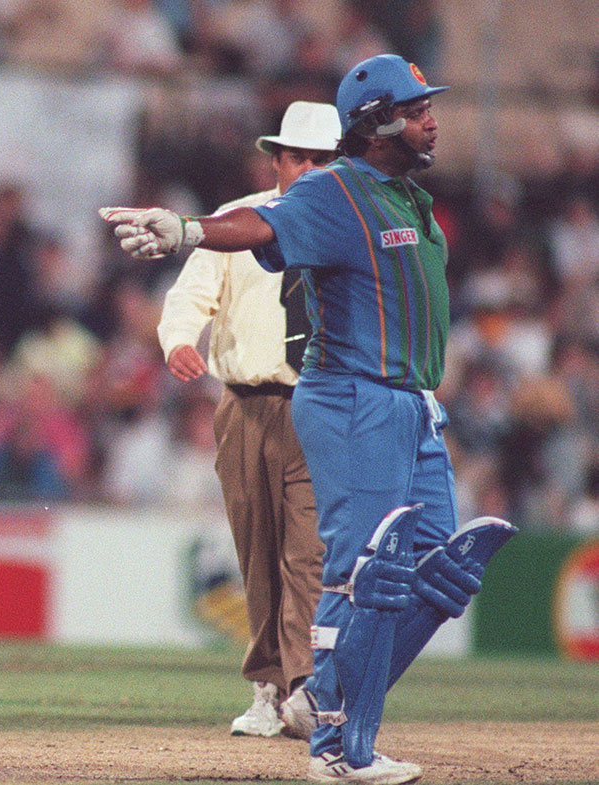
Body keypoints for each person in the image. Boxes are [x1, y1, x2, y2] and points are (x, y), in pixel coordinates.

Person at [101, 55, 517, 785]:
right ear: (378, 121)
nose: (433, 119)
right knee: (363, 570)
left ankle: (324, 696)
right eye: (418, 108)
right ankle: (335, 746)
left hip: (414, 403)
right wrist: (188, 230)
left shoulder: (406, 197)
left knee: (438, 571)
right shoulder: (336, 191)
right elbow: (259, 224)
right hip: (352, 393)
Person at [156, 101, 339, 739]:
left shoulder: (350, 226)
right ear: (277, 160)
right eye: (301, 158)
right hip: (245, 403)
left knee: (309, 555)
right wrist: (179, 338)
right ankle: (270, 687)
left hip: (319, 405)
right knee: (257, 549)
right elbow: (190, 293)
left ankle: (303, 689)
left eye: (323, 159)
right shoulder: (240, 222)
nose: (312, 170)